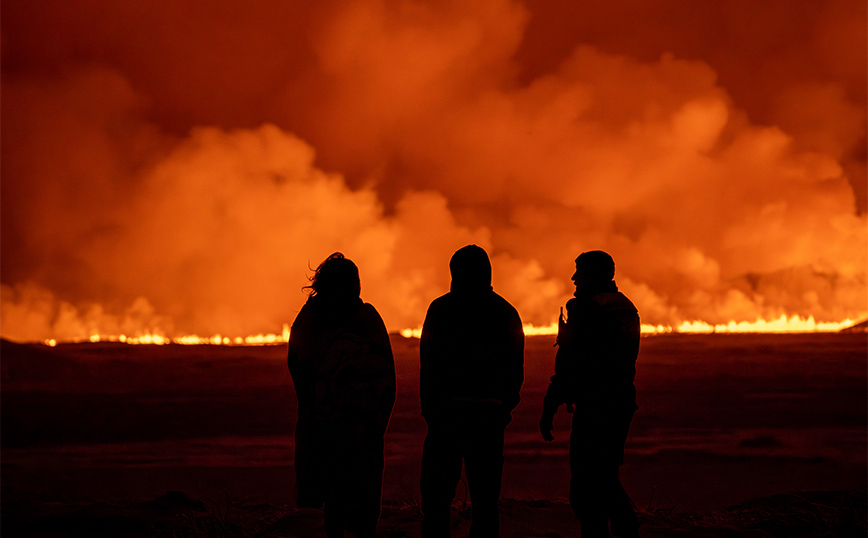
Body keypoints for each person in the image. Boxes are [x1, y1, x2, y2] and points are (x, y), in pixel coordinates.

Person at [287, 252, 396, 538]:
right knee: (347, 511)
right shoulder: (355, 319)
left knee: (342, 511)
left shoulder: (312, 320)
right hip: (346, 431)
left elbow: (383, 379)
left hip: (345, 429)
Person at [419, 244, 524, 538]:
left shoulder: (441, 309)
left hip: (446, 416)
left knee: (436, 500)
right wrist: (502, 408)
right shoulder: (505, 311)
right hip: (487, 418)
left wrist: (431, 411)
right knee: (486, 502)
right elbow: (516, 368)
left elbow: (428, 363)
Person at [539, 250, 641, 538]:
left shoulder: (587, 309)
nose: (574, 278)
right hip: (620, 404)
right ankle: (626, 528)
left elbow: (573, 362)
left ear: (592, 275)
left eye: (579, 272)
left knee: (586, 488)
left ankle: (620, 530)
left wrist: (551, 403)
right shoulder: (624, 306)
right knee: (605, 475)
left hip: (596, 407)